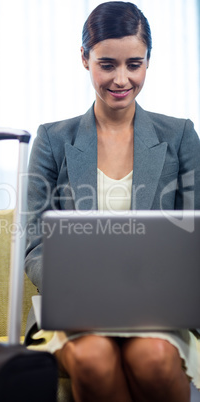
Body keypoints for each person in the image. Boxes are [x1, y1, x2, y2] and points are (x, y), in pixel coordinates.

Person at [24, 2, 200, 401]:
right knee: (94, 358)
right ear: (84, 59)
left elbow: (196, 240)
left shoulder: (180, 136)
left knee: (153, 356)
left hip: (158, 312)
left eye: (134, 64)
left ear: (148, 61)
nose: (122, 79)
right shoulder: (54, 140)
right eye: (107, 65)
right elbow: (35, 244)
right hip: (77, 312)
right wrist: (75, 292)